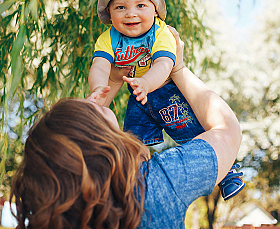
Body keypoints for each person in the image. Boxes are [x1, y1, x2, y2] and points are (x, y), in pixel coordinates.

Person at [11, 29, 243, 229]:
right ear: (92, 137)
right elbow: (227, 130)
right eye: (88, 107)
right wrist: (178, 69)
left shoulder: (59, 218)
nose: (93, 100)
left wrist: (112, 78)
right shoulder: (158, 183)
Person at [89, 0, 244, 200]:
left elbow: (164, 64)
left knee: (189, 130)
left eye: (140, 6)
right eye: (120, 7)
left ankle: (228, 172)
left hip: (165, 91)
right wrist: (99, 88)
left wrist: (146, 82)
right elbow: (100, 65)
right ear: (109, 13)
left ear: (155, 10)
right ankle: (133, 177)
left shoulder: (160, 32)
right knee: (132, 137)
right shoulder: (108, 38)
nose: (130, 13)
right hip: (140, 96)